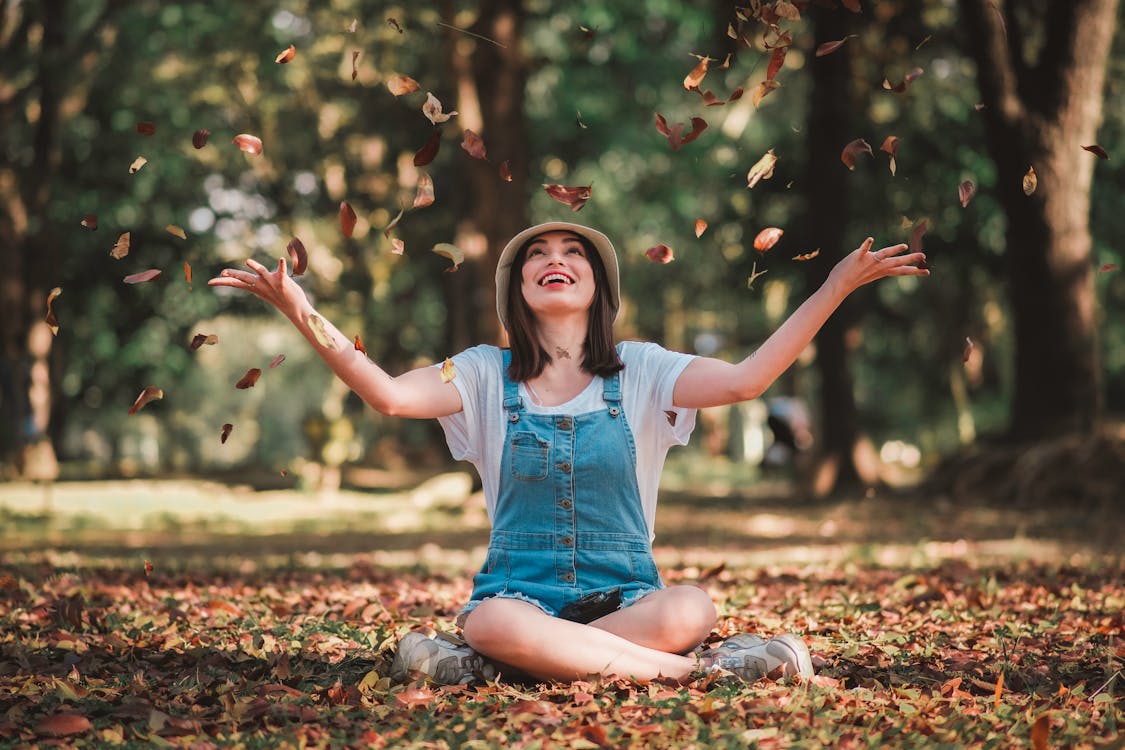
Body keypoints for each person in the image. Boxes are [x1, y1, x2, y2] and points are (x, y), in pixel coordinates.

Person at [210, 221, 928, 685]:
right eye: (538, 258)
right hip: (519, 599)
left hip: (630, 601)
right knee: (490, 620)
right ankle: (693, 675)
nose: (555, 261)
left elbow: (749, 380)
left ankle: (501, 669)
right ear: (519, 290)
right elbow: (390, 396)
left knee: (691, 606)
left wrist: (835, 286)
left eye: (572, 252)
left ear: (597, 287)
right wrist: (299, 309)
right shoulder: (484, 373)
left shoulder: (644, 370)